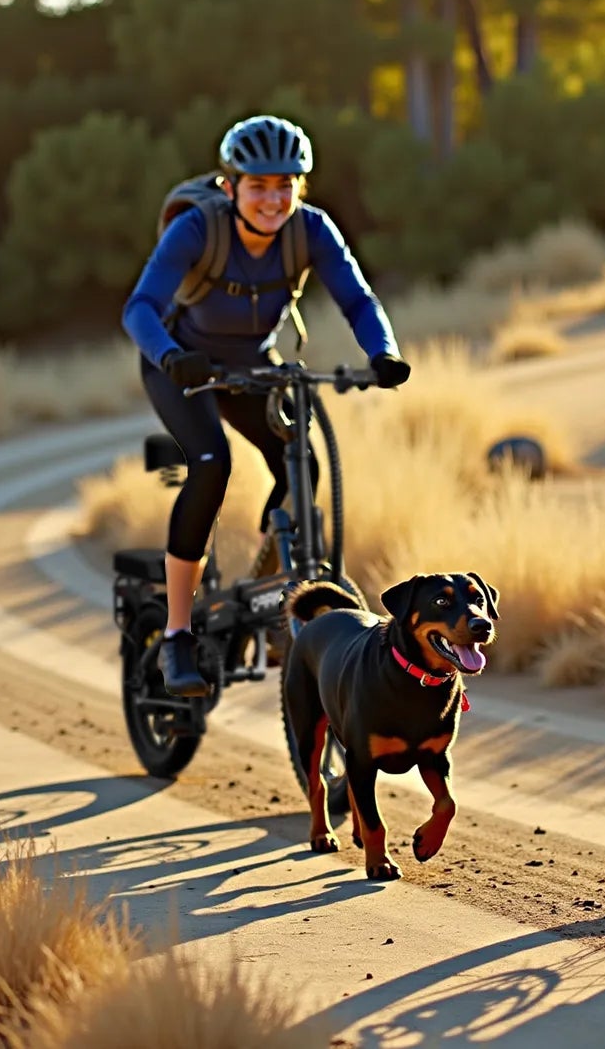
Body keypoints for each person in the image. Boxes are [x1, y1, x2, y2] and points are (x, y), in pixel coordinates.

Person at [122, 114, 410, 698]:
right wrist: (173, 355)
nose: (274, 199)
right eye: (259, 185)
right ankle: (178, 632)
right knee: (211, 465)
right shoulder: (199, 230)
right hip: (183, 366)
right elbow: (140, 309)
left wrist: (383, 352)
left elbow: (358, 298)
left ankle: (270, 586)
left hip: (254, 365)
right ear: (231, 188)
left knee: (299, 462)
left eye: (286, 185)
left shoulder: (312, 229)